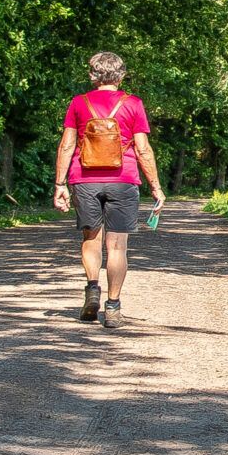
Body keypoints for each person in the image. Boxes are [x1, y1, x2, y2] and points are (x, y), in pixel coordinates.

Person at [52, 52, 166, 327]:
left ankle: (92, 289)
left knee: (90, 239)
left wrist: (59, 184)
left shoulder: (79, 103)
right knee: (117, 247)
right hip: (123, 179)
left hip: (84, 179)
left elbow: (67, 145)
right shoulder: (133, 104)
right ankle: (112, 307)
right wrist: (156, 187)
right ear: (122, 74)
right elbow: (142, 148)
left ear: (92, 75)